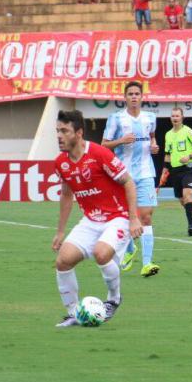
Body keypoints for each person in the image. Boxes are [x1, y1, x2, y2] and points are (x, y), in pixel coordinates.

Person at [52, 110, 143, 327]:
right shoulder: (60, 163)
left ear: (79, 133)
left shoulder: (99, 154)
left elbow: (128, 182)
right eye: (57, 131)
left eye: (64, 131)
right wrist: (60, 231)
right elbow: (66, 194)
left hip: (117, 216)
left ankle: (113, 299)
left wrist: (133, 219)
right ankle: (75, 313)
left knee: (101, 253)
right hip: (91, 220)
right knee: (63, 261)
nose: (59, 136)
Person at [102, 82, 160, 278]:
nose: (134, 97)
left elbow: (152, 138)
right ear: (125, 97)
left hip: (145, 172)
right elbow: (104, 145)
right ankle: (128, 249)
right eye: (131, 94)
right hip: (123, 174)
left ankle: (147, 263)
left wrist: (154, 146)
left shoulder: (150, 118)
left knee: (146, 215)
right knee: (126, 215)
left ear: (142, 97)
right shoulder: (116, 119)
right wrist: (120, 141)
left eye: (137, 94)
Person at [160, 107, 192, 236]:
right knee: (183, 201)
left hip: (188, 169)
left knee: (187, 196)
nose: (175, 118)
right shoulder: (168, 134)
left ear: (182, 117)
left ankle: (191, 227)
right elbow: (167, 154)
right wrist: (164, 170)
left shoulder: (189, 132)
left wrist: (190, 156)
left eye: (177, 116)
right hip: (175, 171)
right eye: (173, 116)